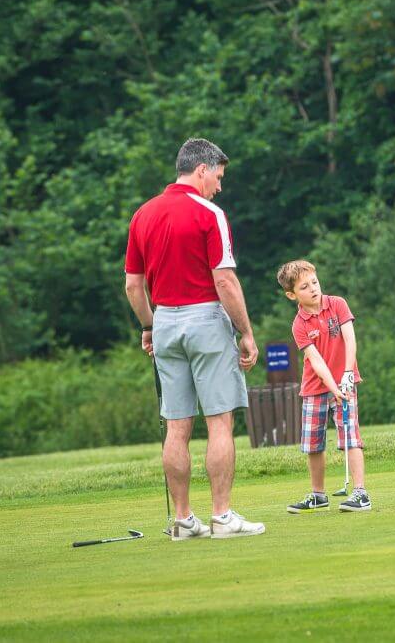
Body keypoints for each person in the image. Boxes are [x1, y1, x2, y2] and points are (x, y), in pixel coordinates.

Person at [124, 137, 266, 541]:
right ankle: (221, 517)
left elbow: (134, 287)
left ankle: (184, 520)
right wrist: (246, 332)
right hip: (205, 318)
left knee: (177, 426)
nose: (219, 186)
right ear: (201, 169)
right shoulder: (210, 213)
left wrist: (151, 325)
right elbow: (224, 280)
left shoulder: (143, 214)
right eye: (218, 177)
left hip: (165, 321)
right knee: (220, 421)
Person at [276, 260, 371, 513]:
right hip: (315, 388)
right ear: (291, 294)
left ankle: (360, 493)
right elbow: (315, 361)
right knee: (313, 444)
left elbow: (350, 338)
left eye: (314, 283)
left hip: (346, 381)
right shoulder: (299, 324)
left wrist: (348, 374)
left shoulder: (337, 304)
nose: (313, 289)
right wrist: (333, 387)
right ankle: (318, 495)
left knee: (351, 438)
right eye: (304, 287)